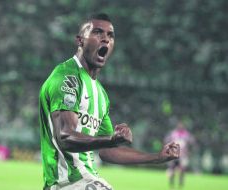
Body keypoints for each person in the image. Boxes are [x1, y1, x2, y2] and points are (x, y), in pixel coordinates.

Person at [39, 13, 180, 190]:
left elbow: (108, 151)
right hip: (66, 183)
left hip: (86, 180)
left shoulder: (101, 94)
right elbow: (65, 137)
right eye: (98, 33)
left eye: (110, 35)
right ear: (80, 41)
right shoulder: (67, 78)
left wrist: (157, 157)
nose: (105, 39)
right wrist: (110, 139)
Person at [164, 121, 195, 189]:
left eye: (182, 125)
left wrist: (189, 151)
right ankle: (171, 184)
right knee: (172, 169)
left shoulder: (187, 134)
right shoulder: (173, 133)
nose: (180, 126)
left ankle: (180, 185)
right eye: (179, 125)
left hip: (183, 155)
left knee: (182, 170)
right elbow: (167, 141)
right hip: (173, 155)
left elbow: (192, 143)